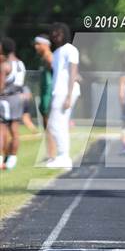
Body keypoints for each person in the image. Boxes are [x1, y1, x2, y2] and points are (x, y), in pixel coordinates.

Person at [47, 22, 80, 169]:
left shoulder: (70, 50)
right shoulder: (56, 53)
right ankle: (63, 157)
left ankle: (63, 157)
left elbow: (73, 71)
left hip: (65, 92)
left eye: (59, 32)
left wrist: (68, 95)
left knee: (55, 124)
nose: (56, 35)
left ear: (65, 33)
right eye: (54, 33)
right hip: (58, 91)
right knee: (58, 125)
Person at [0, 37, 26, 170]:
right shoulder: (21, 64)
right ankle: (11, 161)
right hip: (18, 99)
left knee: (2, 129)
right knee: (15, 132)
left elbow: (1, 86)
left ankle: (1, 159)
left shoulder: (5, 65)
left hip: (5, 100)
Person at [33, 34, 55, 160]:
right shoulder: (43, 58)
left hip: (49, 95)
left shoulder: (49, 58)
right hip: (44, 95)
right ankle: (50, 154)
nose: (36, 47)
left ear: (45, 44)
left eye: (38, 44)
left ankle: (53, 154)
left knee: (50, 126)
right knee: (47, 126)